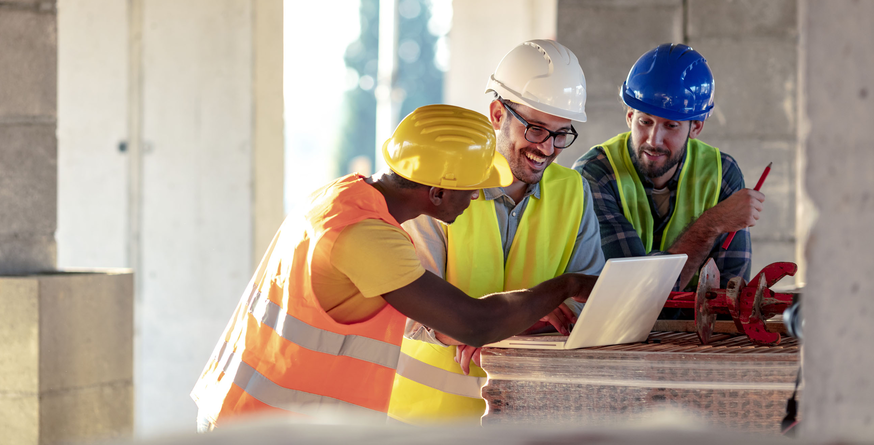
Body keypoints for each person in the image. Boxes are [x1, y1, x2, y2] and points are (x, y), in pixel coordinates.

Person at [190, 104, 597, 431]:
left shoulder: (344, 196)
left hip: (255, 416)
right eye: (472, 186)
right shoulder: (367, 238)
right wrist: (567, 285)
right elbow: (472, 323)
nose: (477, 196)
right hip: (260, 426)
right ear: (437, 192)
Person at [388, 40, 607, 425]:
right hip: (431, 420)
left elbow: (586, 304)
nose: (548, 148)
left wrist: (507, 323)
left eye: (562, 134)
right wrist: (534, 310)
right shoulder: (438, 183)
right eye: (536, 129)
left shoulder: (574, 191)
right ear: (496, 113)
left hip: (529, 415)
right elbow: (417, 316)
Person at [573, 43, 762, 298]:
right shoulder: (595, 174)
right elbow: (634, 294)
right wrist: (711, 224)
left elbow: (731, 298)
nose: (653, 139)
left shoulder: (722, 174)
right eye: (645, 121)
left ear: (696, 127)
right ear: (629, 116)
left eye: (671, 125)